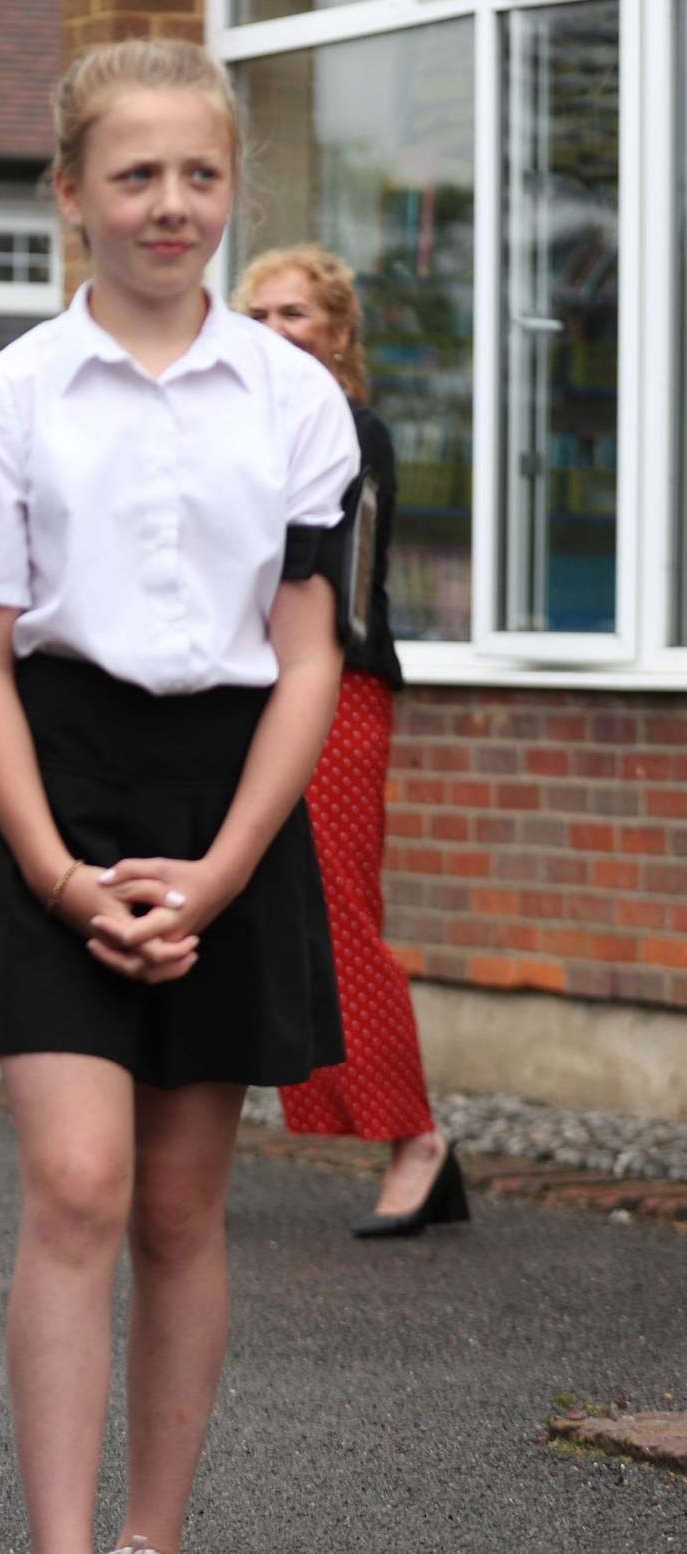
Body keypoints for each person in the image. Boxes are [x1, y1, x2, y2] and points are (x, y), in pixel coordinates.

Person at [0, 41, 354, 1554]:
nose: (173, 204)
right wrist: (51, 870)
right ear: (71, 193)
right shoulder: (9, 398)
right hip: (57, 793)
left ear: (231, 184)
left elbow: (307, 659)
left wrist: (226, 871)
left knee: (176, 1207)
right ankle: (63, 1543)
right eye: (137, 174)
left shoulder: (295, 400)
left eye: (202, 174)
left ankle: (154, 1535)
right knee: (80, 1186)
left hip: (231, 801)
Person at [236, 245, 464, 1240]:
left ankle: (417, 1140)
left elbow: (340, 593)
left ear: (337, 333)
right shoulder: (233, 427)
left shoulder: (348, 430)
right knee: (247, 920)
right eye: (260, 314)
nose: (278, 332)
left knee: (333, 913)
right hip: (241, 693)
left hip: (334, 692)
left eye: (298, 315)